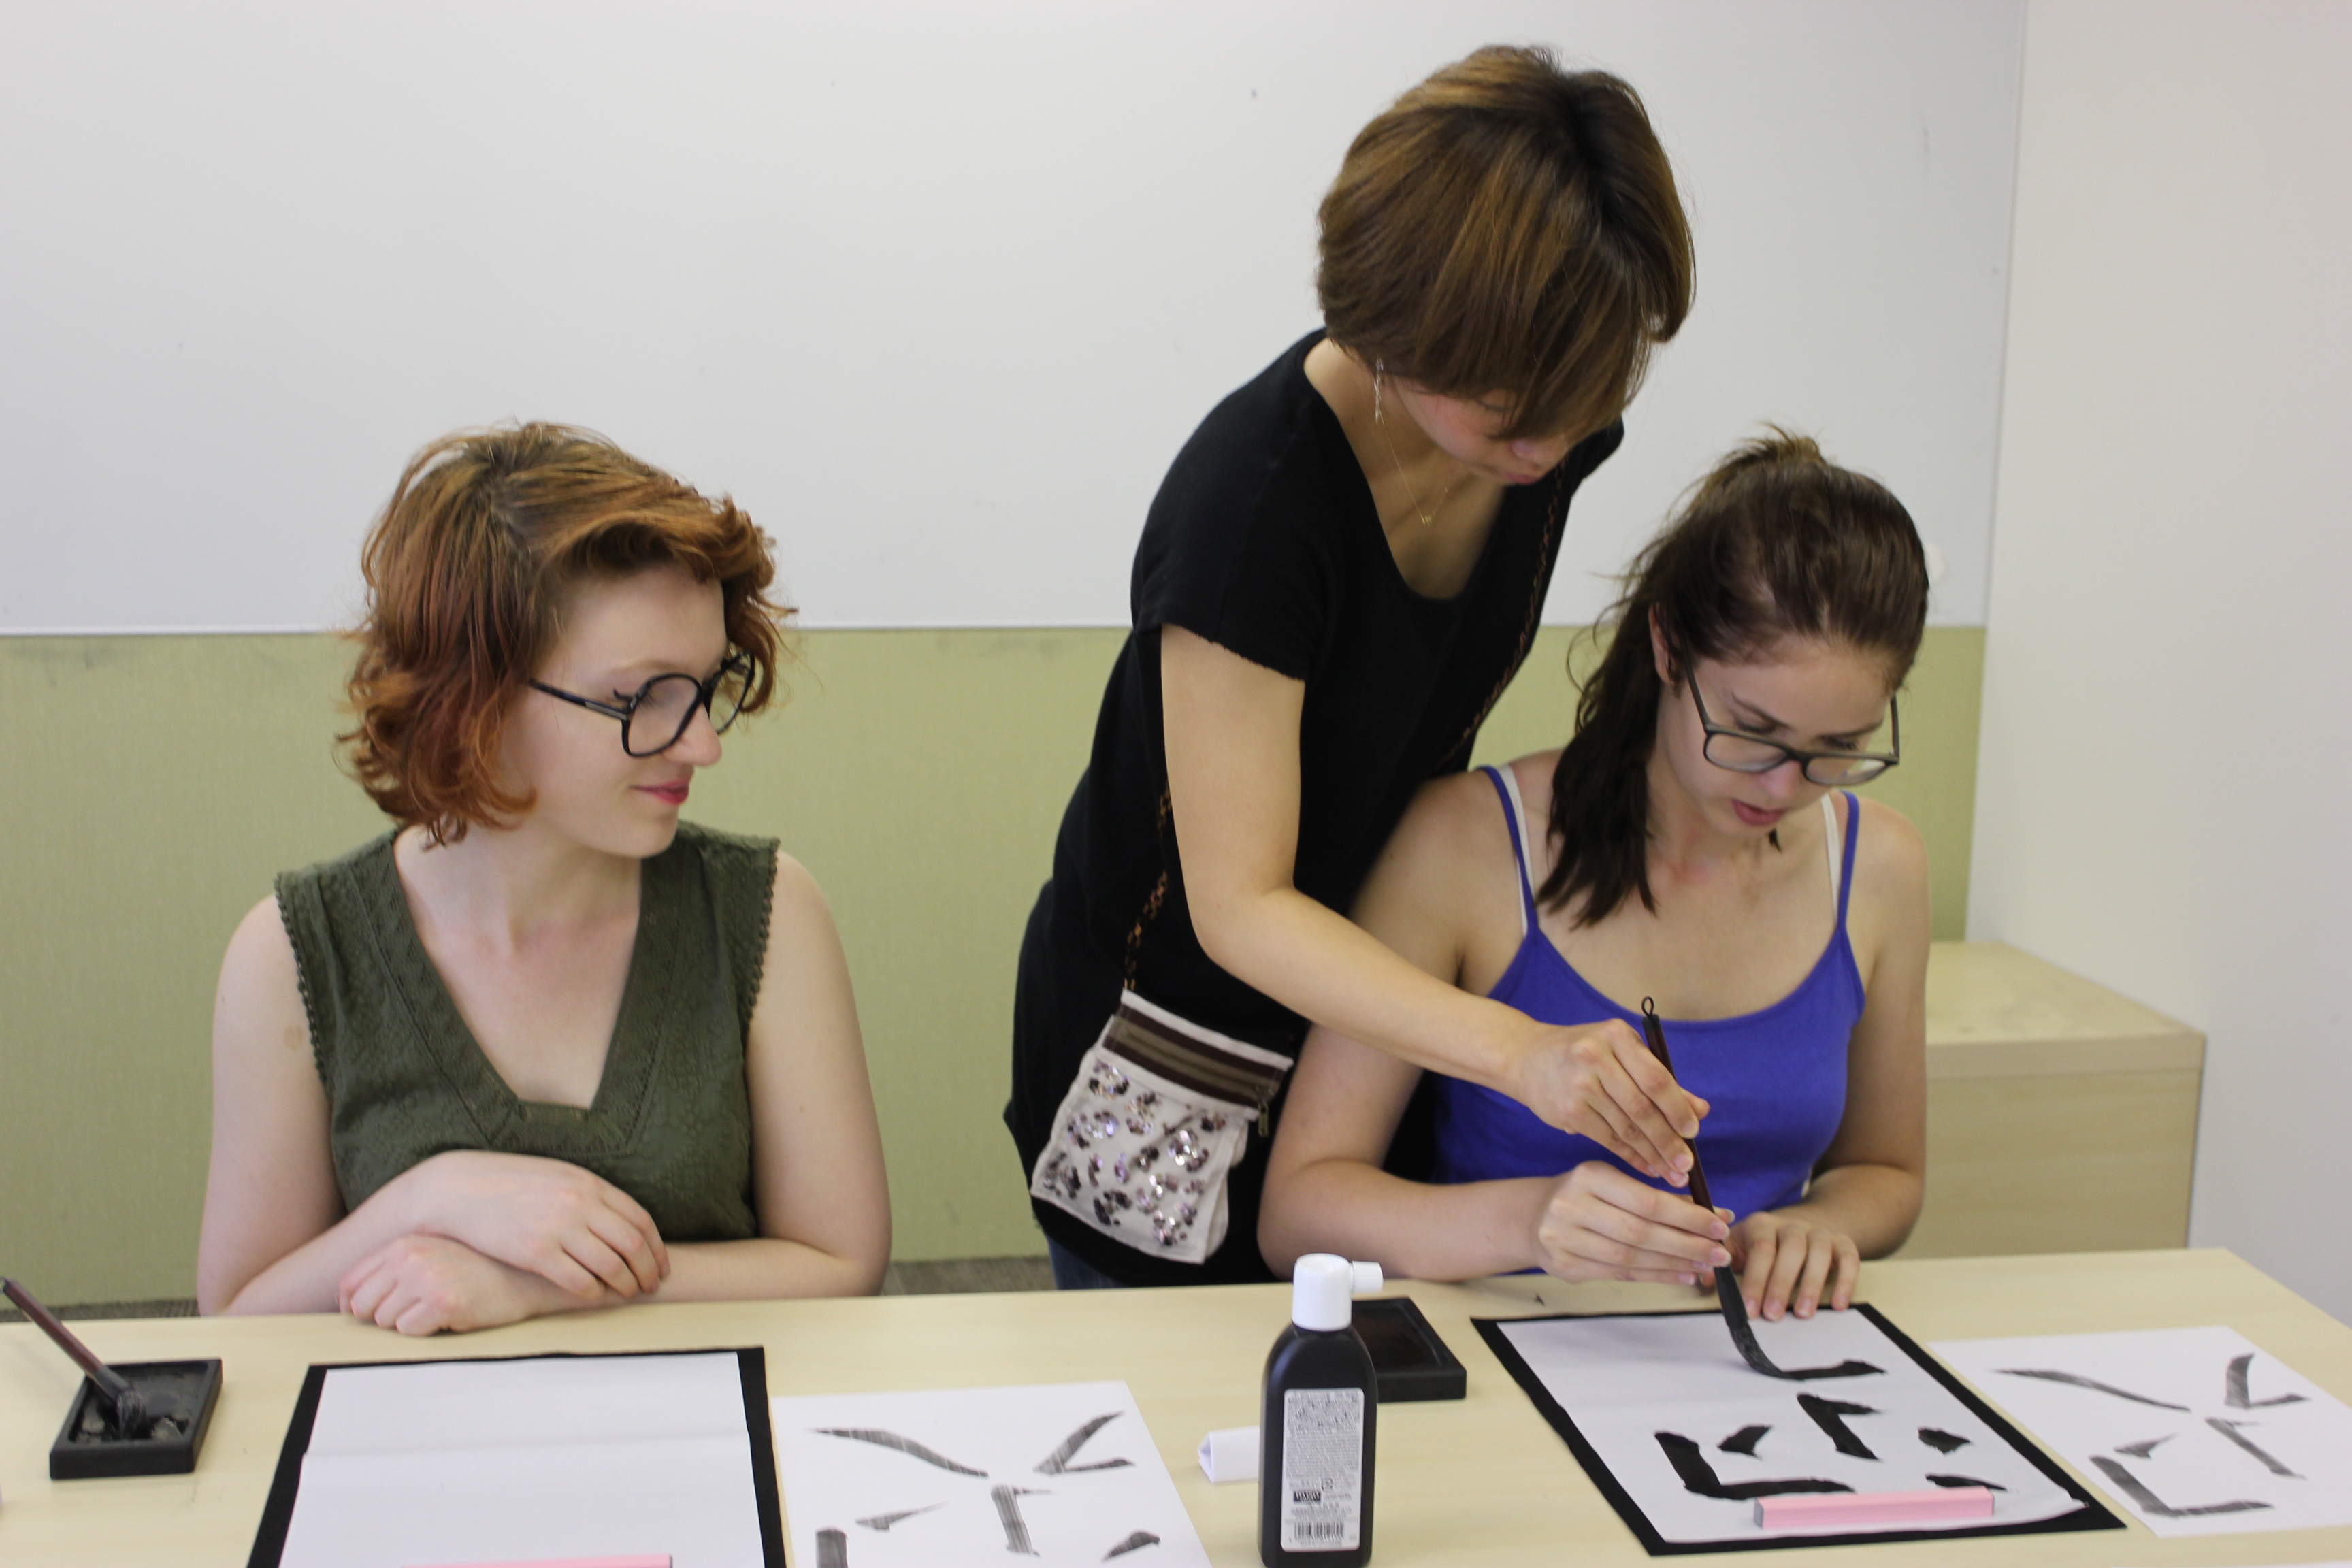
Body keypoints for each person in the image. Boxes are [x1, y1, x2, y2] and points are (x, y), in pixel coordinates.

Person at [1009, 45, 1700, 1290]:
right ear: (1394, 328)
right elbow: (1241, 907)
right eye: (1508, 414)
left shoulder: (1548, 430)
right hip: (1176, 1032)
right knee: (1191, 1407)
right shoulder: (1253, 516)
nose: (1548, 446)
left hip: (1374, 1006)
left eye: (1582, 404)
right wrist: (1518, 1049)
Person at [197, 424, 891, 1334]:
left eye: (705, 685)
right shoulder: (294, 953)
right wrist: (431, 1198)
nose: (704, 744)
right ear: (471, 697)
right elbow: (238, 1315)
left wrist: (539, 1287)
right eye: (637, 699)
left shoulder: (765, 912)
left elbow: (841, 1262)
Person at [1260, 433, 1930, 1321]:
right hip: (1506, 1345)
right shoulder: (1468, 842)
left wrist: (1818, 1225)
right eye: (1751, 731)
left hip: (1760, 1367)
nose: (1784, 787)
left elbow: (1885, 1171)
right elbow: (1297, 1214)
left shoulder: (1878, 865)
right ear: (1667, 647)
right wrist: (1533, 1224)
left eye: (1837, 751)